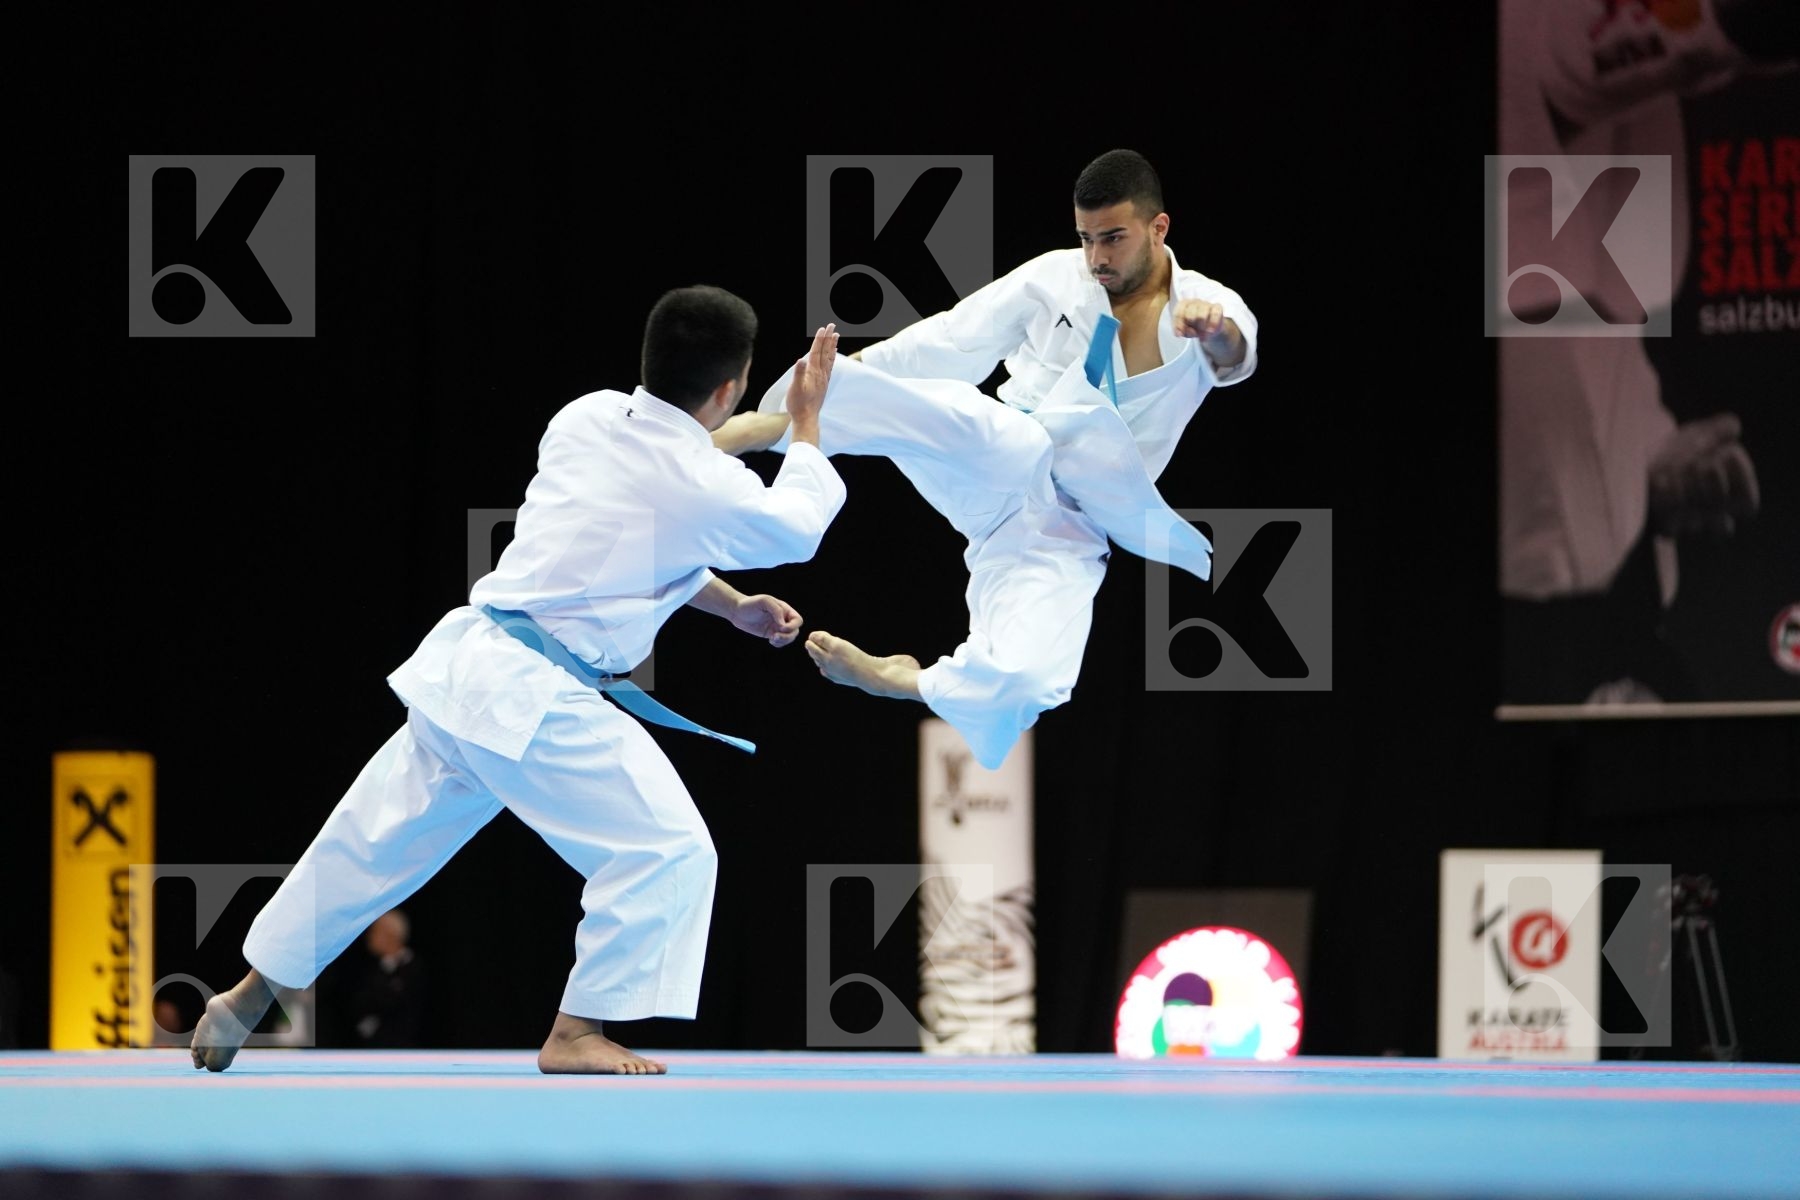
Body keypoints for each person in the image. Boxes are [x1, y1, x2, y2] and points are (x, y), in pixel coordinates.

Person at [191, 289, 845, 1075]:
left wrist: (733, 607)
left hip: (471, 667)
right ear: (730, 385)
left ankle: (246, 995)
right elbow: (795, 525)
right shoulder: (699, 482)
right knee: (668, 849)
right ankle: (574, 1031)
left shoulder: (588, 416)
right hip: (532, 699)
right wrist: (807, 419)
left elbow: (649, 522)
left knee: (373, 840)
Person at [713, 150, 1257, 768]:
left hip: (1070, 525)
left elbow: (1236, 354)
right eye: (1086, 238)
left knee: (1033, 680)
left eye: (1114, 238)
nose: (1097, 257)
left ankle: (901, 679)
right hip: (999, 449)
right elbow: (949, 341)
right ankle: (776, 424)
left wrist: (1213, 330)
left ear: (1159, 229)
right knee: (987, 428)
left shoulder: (1208, 302)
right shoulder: (1053, 279)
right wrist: (834, 378)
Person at [1497, 0, 1790, 702]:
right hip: (1520, 639)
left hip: (1618, 630)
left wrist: (1648, 466)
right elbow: (1579, 58)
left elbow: (1608, 341)